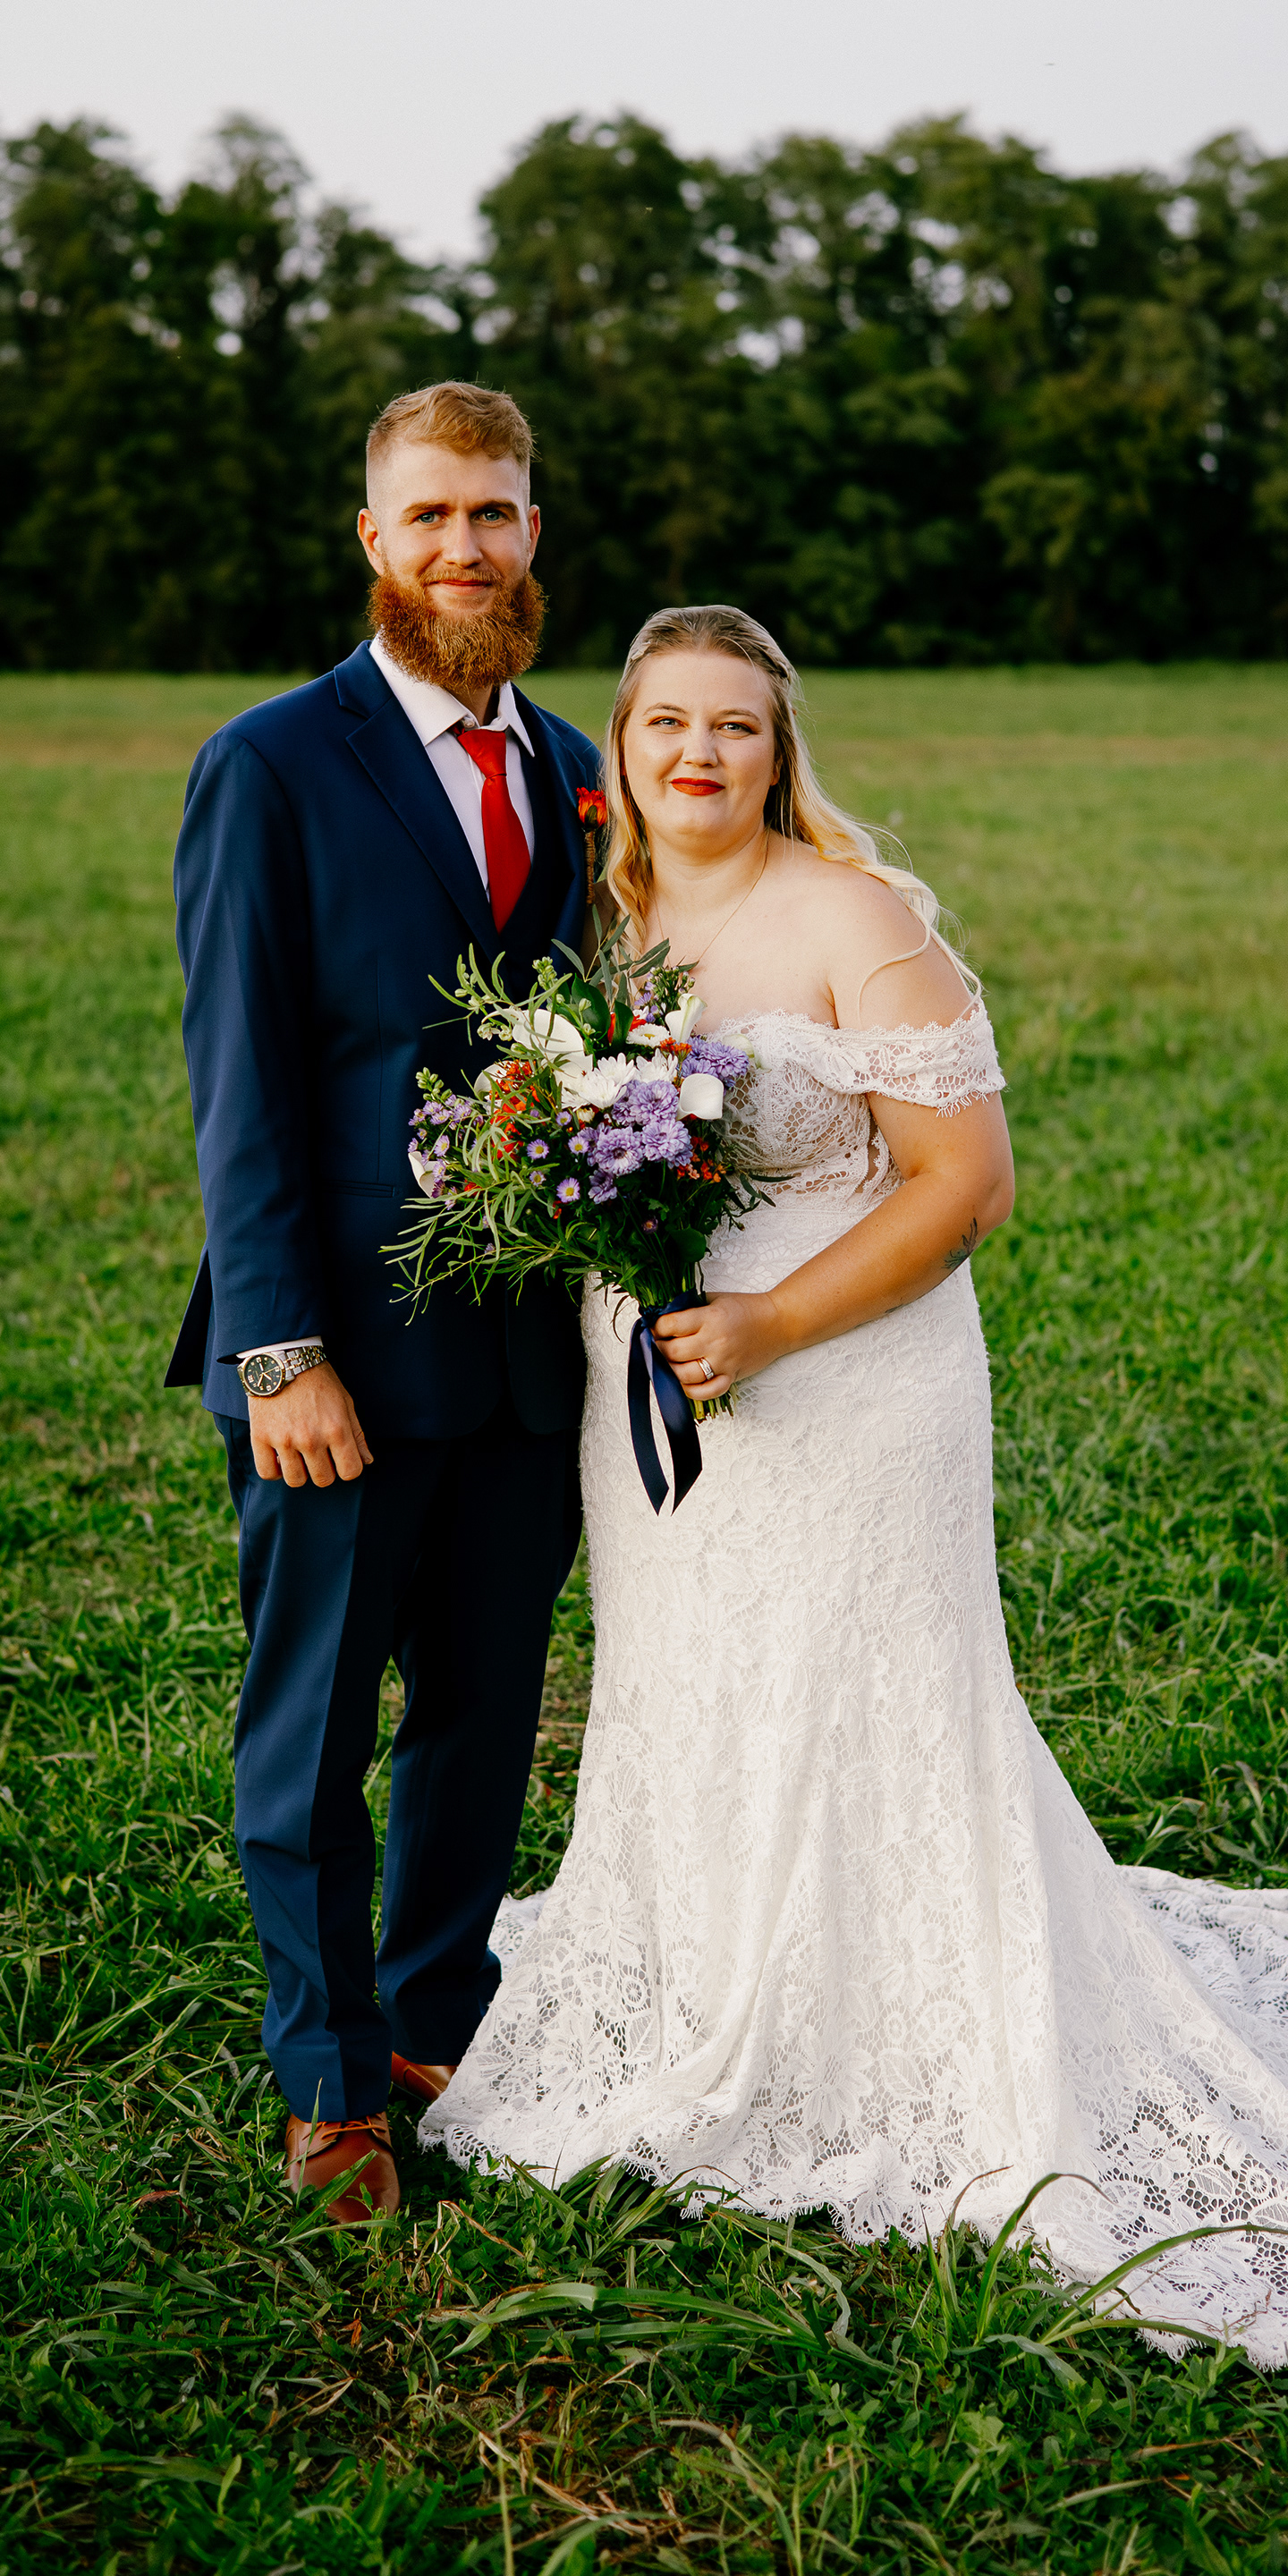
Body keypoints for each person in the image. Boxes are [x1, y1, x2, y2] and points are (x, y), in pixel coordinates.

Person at [422, 603, 1288, 2391]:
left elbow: (966, 1186)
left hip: (844, 1380)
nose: (699, 753)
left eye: (735, 725)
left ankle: (902, 2015)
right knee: (700, 1681)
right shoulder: (610, 925)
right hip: (651, 1384)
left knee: (865, 1693)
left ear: (779, 751)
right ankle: (718, 1977)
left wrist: (773, 1323)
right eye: (667, 725)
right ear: (619, 753)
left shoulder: (856, 918)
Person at [168, 381, 602, 2224]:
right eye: (429, 515)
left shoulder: (578, 763)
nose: (464, 548)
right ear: (373, 539)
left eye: (492, 512)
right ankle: (330, 2085)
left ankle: (432, 2025)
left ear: (531, 530)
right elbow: (241, 1082)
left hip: (523, 1360)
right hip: (332, 1356)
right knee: (315, 1734)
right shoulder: (271, 763)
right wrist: (278, 1352)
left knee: (483, 1725)